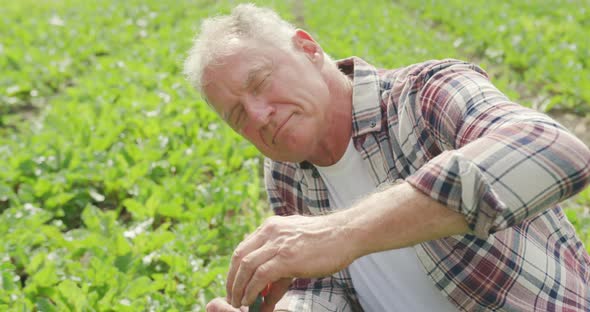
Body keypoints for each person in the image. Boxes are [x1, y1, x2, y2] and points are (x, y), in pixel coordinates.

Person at [184, 4, 590, 312]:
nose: (258, 115)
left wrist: (342, 232)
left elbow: (552, 147)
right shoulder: (285, 171)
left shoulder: (425, 94)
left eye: (260, 82)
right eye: (237, 116)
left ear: (308, 49)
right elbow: (325, 285)